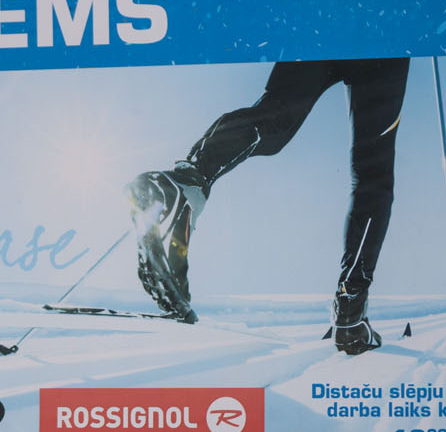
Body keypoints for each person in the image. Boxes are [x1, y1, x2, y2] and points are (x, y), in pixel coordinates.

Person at [127, 57, 411, 355]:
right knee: (373, 172)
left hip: (318, 30)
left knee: (275, 118)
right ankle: (351, 307)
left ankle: (184, 184)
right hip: (383, 44)